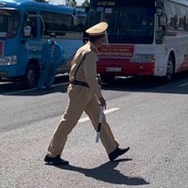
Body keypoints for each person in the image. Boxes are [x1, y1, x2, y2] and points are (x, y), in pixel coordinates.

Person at [44, 22, 129, 166]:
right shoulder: (90, 53)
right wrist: (100, 96)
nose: (103, 42)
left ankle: (112, 149)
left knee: (100, 119)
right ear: (99, 39)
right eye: (103, 39)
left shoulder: (84, 48)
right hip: (81, 91)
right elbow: (90, 77)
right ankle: (52, 154)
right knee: (67, 123)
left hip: (83, 90)